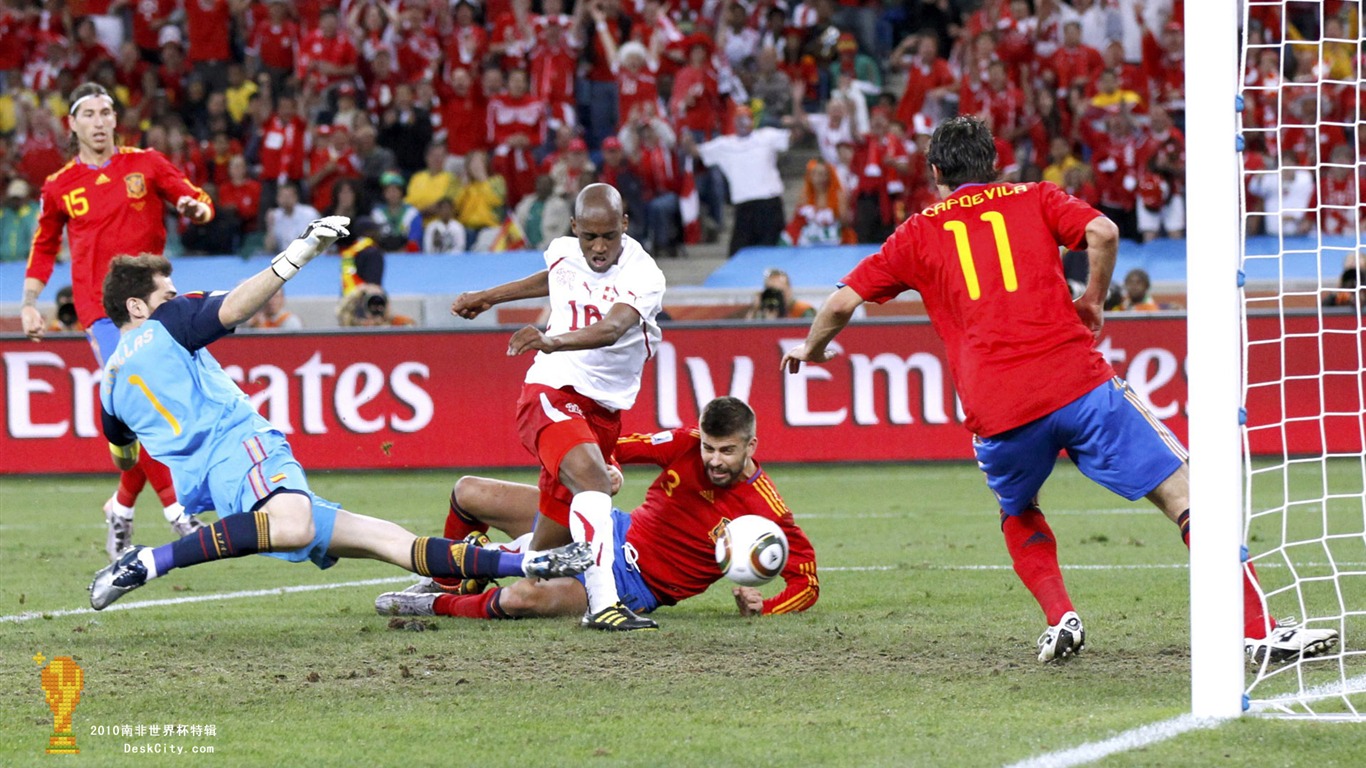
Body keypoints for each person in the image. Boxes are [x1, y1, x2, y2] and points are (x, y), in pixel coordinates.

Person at [780, 116, 1339, 664]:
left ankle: (1061, 616)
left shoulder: (917, 234)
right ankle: (1255, 629)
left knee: (1017, 509)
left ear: (933, 172)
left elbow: (840, 303)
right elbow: (1104, 231)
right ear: (994, 164)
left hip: (998, 410)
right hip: (1077, 383)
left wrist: (811, 349)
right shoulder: (1036, 196)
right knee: (1185, 495)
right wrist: (1093, 298)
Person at [87, 218, 592, 610]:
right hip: (245, 448)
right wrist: (297, 255)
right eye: (165, 294)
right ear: (136, 307)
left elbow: (124, 453)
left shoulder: (108, 386)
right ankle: (150, 561)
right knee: (294, 524)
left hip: (222, 487)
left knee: (390, 541)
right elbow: (236, 307)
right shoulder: (168, 323)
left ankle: (534, 559)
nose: (175, 299)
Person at [375, 397, 819, 621]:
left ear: (751, 446)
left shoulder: (766, 509)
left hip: (637, 586)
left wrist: (767, 608)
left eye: (727, 450)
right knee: (470, 491)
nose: (714, 460)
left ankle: (438, 605)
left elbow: (807, 580)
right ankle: (446, 576)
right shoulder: (683, 445)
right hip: (608, 527)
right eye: (709, 447)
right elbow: (611, 447)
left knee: (522, 598)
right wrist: (605, 467)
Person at [449, 183, 665, 631]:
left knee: (542, 557)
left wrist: (551, 339)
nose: (599, 247)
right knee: (595, 480)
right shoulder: (565, 252)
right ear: (575, 229)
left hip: (602, 413)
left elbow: (611, 329)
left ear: (624, 224)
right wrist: (489, 296)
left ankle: (456, 577)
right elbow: (552, 276)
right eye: (590, 237)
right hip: (551, 392)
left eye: (609, 235)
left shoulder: (644, 275)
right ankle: (603, 606)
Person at [20, 82, 215, 561]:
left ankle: (122, 506)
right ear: (73, 124)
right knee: (138, 400)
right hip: (102, 312)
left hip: (156, 301)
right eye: (89, 113)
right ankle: (177, 511)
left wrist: (197, 208)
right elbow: (44, 246)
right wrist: (29, 301)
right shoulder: (59, 185)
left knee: (144, 409)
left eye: (106, 111)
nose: (100, 120)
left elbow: (195, 198)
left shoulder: (145, 163)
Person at [685, 106, 789, 256]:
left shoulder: (767, 136)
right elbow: (696, 152)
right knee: (737, 253)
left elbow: (792, 137)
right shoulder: (725, 144)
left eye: (746, 118)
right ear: (733, 122)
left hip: (769, 202)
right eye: (739, 119)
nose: (742, 123)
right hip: (744, 206)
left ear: (752, 120)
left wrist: (796, 108)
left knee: (773, 252)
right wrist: (686, 134)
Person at [745, 268, 816, 320]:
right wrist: (754, 310)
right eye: (771, 291)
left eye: (779, 291)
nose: (775, 296)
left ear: (789, 290)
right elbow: (747, 335)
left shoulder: (802, 310)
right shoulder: (764, 311)